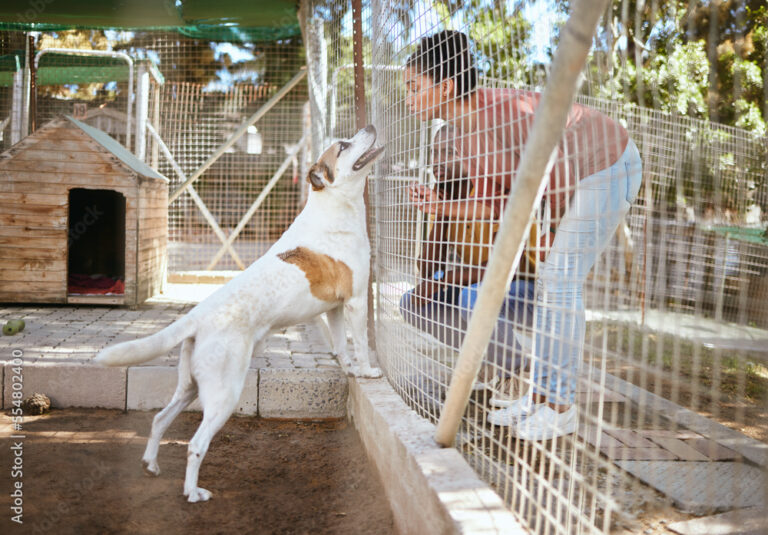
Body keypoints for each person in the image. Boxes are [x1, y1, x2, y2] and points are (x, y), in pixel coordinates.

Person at [402, 30, 643, 440]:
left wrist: (548, 230)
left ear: (443, 87)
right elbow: (499, 205)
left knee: (559, 278)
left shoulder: (504, 110)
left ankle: (561, 406)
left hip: (607, 165)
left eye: (412, 87)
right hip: (578, 179)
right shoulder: (462, 134)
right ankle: (538, 398)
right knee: (554, 280)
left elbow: (561, 163)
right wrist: (439, 206)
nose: (407, 98)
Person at [399, 123, 540, 407]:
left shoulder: (495, 192)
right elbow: (426, 269)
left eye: (448, 152)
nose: (437, 161)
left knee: (470, 296)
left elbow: (509, 264)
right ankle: (490, 360)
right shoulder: (449, 198)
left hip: (529, 292)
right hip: (481, 290)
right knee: (411, 303)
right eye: (434, 153)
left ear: (473, 156)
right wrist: (439, 211)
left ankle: (518, 372)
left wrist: (445, 279)